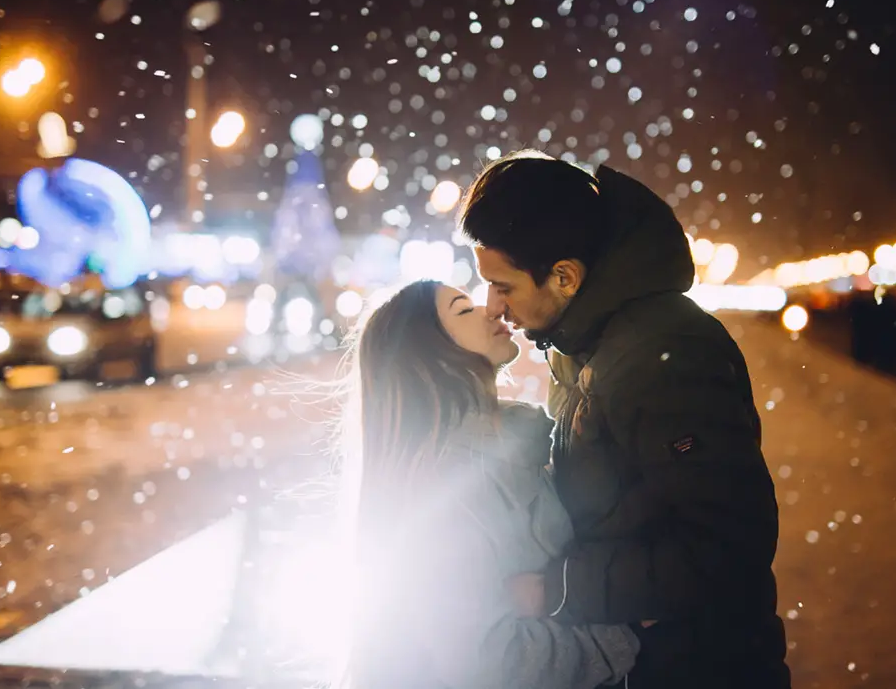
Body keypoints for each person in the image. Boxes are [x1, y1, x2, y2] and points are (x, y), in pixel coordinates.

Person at [458, 151, 791, 688]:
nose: (493, 305)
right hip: (643, 659)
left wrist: (560, 588)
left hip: (700, 667)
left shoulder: (667, 352)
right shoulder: (580, 339)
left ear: (564, 277)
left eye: (504, 286)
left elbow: (730, 544)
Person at [339, 279, 640, 689]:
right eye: (464, 310)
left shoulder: (518, 454)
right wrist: (622, 632)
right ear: (433, 358)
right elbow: (492, 664)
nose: (491, 310)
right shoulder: (445, 493)